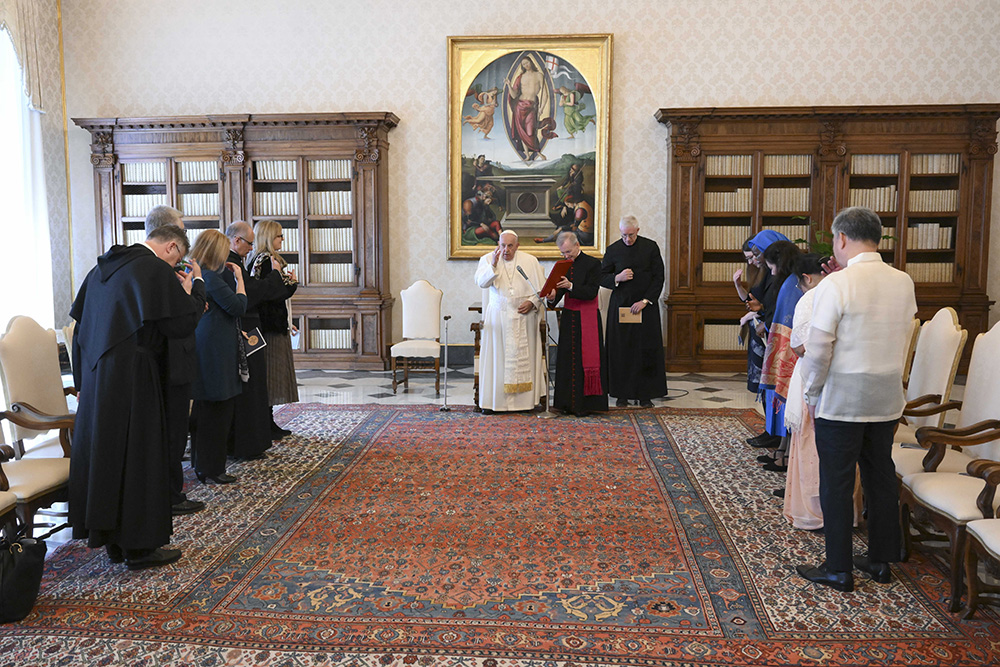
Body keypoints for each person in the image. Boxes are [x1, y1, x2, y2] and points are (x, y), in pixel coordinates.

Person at [796, 207, 918, 593]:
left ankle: (838, 569)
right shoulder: (903, 282)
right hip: (885, 396)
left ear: (842, 239)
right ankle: (882, 561)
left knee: (836, 480)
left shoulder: (836, 284)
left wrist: (811, 393)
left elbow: (818, 349)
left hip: (842, 398)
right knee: (881, 475)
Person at [69, 224, 200, 570]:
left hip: (97, 377)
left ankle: (112, 539)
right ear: (172, 247)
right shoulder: (153, 269)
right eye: (178, 260)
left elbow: (80, 328)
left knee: (111, 457)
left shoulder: (100, 269)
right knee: (140, 457)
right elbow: (180, 324)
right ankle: (140, 547)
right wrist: (190, 292)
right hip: (134, 375)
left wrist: (83, 380)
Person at [143, 205, 208, 516]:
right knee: (170, 433)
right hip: (169, 366)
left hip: (175, 363)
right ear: (168, 238)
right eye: (181, 234)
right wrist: (195, 287)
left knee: (174, 432)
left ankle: (172, 490)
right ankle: (169, 494)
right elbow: (182, 319)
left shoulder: (158, 269)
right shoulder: (156, 272)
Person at [224, 221, 289, 460]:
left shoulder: (236, 259)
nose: (251, 248)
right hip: (242, 329)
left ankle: (254, 442)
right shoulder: (229, 263)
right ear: (236, 240)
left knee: (255, 387)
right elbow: (251, 294)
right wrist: (275, 277)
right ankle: (246, 445)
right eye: (249, 243)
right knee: (249, 388)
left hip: (249, 327)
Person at [189, 230, 247, 485]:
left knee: (210, 409)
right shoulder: (210, 277)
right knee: (217, 408)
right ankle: (211, 467)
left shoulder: (203, 274)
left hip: (212, 345)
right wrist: (240, 279)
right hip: (215, 350)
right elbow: (238, 306)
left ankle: (206, 464)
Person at [474, 230, 546, 412]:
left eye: (510, 246)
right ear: (498, 244)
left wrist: (532, 302)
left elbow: (541, 290)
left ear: (517, 246)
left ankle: (525, 403)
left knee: (526, 358)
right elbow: (481, 283)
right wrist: (493, 266)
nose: (506, 250)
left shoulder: (530, 261)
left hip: (525, 316)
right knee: (497, 359)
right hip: (499, 317)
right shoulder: (488, 259)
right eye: (502, 245)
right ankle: (494, 403)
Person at [600, 216, 667, 407]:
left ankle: (645, 395)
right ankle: (621, 395)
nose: (627, 239)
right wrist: (617, 277)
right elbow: (602, 276)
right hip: (621, 306)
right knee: (621, 350)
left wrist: (645, 301)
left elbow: (658, 277)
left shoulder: (650, 247)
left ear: (638, 230)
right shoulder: (613, 249)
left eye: (630, 235)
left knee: (644, 350)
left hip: (645, 307)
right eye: (623, 235)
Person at [545, 231, 608, 417]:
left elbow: (591, 291)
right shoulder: (563, 265)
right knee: (567, 360)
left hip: (587, 318)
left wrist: (570, 286)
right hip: (569, 318)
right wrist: (552, 297)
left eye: (569, 252)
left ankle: (586, 405)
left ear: (577, 245)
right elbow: (557, 294)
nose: (566, 256)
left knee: (585, 361)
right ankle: (565, 403)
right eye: (563, 253)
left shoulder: (593, 264)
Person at [755, 239, 803, 475]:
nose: (770, 271)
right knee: (783, 403)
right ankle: (783, 449)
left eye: (772, 266)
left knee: (788, 403)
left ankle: (787, 454)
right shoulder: (789, 282)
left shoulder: (793, 284)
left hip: (791, 352)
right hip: (784, 348)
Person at [248, 220, 300, 437]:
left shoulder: (260, 259)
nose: (283, 239)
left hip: (268, 323)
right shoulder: (266, 260)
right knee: (270, 375)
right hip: (268, 327)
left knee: (269, 374)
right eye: (279, 235)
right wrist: (292, 285)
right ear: (269, 237)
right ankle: (266, 423)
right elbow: (272, 293)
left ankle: (267, 422)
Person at [740, 229, 790, 448]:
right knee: (766, 387)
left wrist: (765, 320)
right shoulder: (768, 273)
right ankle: (771, 430)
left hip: (777, 336)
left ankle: (778, 434)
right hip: (765, 335)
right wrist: (758, 308)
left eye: (759, 254)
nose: (757, 259)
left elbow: (783, 308)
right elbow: (763, 301)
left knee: (775, 388)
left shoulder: (785, 277)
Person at [733, 237, 770, 395]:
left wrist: (750, 314)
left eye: (752, 257)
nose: (750, 262)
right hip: (756, 324)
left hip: (766, 324)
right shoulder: (756, 273)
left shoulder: (770, 273)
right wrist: (738, 284)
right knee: (756, 367)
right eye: (747, 258)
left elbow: (768, 304)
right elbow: (748, 300)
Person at [506, 55, 557, 161]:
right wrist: (509, 85)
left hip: (532, 107)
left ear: (531, 62)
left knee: (530, 132)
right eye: (524, 64)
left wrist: (541, 109)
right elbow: (514, 95)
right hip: (519, 106)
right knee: (521, 132)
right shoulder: (521, 77)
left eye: (527, 63)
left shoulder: (539, 75)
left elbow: (545, 95)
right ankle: (528, 155)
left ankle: (538, 153)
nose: (526, 65)